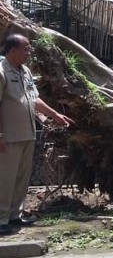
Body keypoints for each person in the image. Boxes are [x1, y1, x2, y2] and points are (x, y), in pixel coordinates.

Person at [0, 34, 74, 235]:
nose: (29, 52)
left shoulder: (25, 71)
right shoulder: (1, 72)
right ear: (12, 50)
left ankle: (15, 215)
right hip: (8, 137)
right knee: (5, 179)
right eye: (26, 48)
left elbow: (34, 99)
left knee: (21, 178)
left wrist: (55, 114)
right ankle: (1, 219)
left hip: (27, 133)